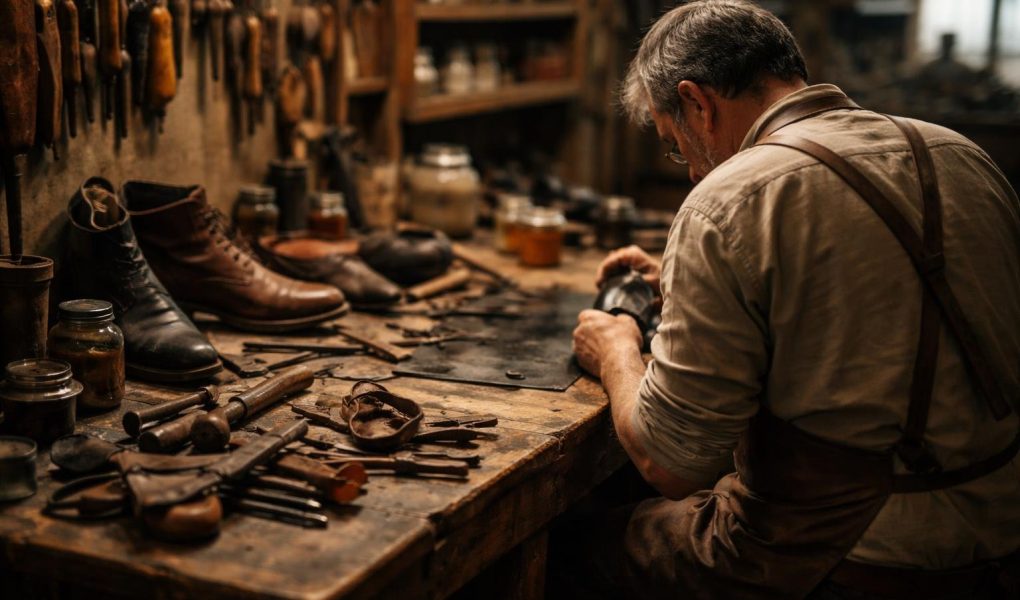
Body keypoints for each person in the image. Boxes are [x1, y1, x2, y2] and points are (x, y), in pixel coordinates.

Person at [566, 1, 1020, 598]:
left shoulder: (727, 200)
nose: (691, 172)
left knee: (576, 548)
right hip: (1001, 533)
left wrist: (617, 350)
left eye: (676, 145)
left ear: (697, 103)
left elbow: (671, 462)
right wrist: (705, 286)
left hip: (853, 554)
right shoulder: (960, 154)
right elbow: (886, 301)